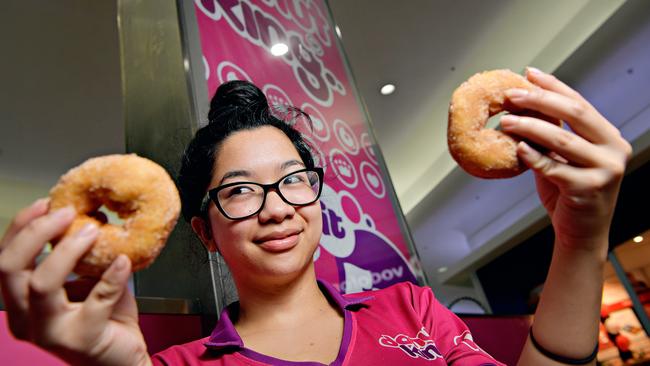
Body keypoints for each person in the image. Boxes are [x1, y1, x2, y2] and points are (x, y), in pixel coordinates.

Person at [0, 68, 632, 365]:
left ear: (317, 196)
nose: (277, 208)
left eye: (293, 181)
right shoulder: (168, 365)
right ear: (206, 232)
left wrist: (580, 239)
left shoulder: (410, 310)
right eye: (241, 192)